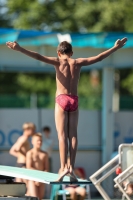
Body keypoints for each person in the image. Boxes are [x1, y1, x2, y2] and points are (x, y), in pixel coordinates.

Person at [6, 37, 127, 182]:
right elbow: (99, 58)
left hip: (62, 99)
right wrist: (115, 48)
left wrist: (19, 49)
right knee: (73, 136)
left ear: (58, 52)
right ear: (72, 52)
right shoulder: (77, 62)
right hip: (74, 100)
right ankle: (71, 168)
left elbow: (38, 56)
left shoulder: (58, 61)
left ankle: (63, 168)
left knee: (62, 136)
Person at [26, 133, 49, 200]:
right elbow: (29, 167)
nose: (39, 142)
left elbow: (46, 169)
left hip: (41, 179)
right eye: (38, 140)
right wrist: (37, 177)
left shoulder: (45, 154)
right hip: (32, 179)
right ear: (32, 141)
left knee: (40, 198)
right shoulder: (30, 153)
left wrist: (41, 179)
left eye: (41, 141)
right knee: (34, 197)